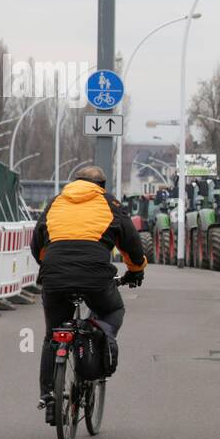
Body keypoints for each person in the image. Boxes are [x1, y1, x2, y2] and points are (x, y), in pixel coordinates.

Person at [30, 165, 146, 421]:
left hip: (54, 276)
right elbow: (131, 243)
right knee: (113, 309)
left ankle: (49, 397)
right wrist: (135, 270)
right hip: (95, 277)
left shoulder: (55, 203)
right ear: (102, 185)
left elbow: (37, 243)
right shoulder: (109, 203)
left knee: (52, 336)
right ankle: (96, 341)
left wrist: (50, 268)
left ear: (74, 181)